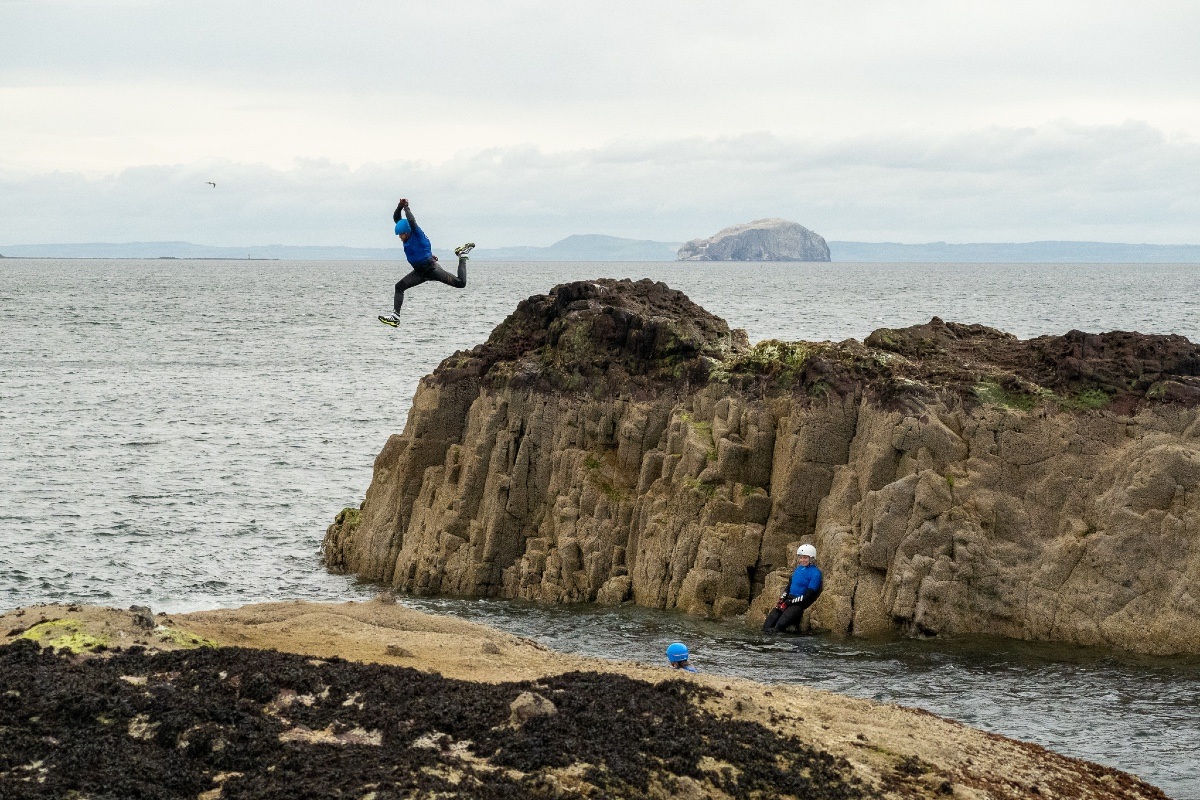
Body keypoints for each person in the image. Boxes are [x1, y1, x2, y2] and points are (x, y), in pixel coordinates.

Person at [378, 198, 474, 327]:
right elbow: (397, 218)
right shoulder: (405, 231)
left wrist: (406, 207)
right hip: (419, 272)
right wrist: (399, 206)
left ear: (407, 231)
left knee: (461, 283)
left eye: (401, 235)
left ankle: (462, 255)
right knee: (399, 287)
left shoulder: (416, 232)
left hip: (431, 269)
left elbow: (411, 221)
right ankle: (395, 317)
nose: (400, 237)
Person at [763, 544, 823, 634]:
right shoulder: (798, 569)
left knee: (778, 629)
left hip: (799, 604)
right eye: (800, 557)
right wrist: (782, 599)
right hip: (789, 600)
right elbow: (789, 587)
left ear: (811, 558)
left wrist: (792, 602)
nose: (802, 560)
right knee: (766, 627)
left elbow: (809, 595)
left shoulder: (815, 573)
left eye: (805, 558)